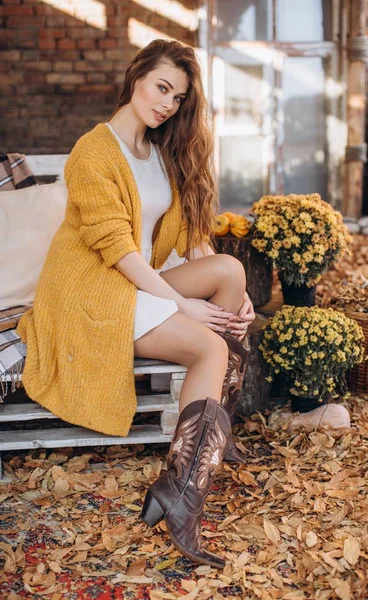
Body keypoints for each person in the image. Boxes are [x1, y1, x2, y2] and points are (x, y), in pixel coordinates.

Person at [17, 39, 255, 568]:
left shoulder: (160, 151)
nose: (167, 104)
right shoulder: (94, 151)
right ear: (136, 78)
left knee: (230, 268)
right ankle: (181, 497)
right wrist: (182, 306)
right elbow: (120, 253)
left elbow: (192, 238)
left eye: (178, 97)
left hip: (144, 283)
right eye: (161, 88)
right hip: (96, 290)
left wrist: (237, 306)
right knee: (210, 351)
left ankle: (206, 451)